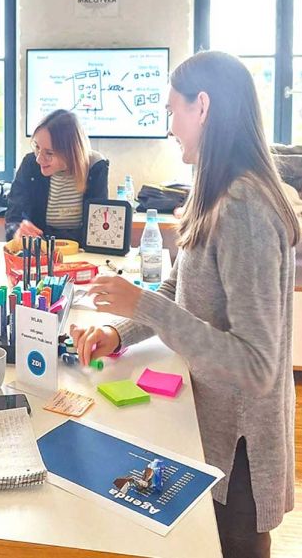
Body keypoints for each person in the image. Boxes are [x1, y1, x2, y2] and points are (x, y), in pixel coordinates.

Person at [71, 51, 299, 558]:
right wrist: (118, 330)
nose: (170, 126)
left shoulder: (244, 207)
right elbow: (180, 289)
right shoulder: (215, 193)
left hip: (239, 451)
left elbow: (256, 366)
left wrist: (142, 305)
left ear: (203, 106)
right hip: (210, 432)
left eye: (173, 110)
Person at [5, 109, 109, 243]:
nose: (39, 159)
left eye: (49, 153)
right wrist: (17, 230)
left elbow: (97, 227)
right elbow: (13, 218)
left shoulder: (95, 166)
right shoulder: (30, 164)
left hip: (81, 251)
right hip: (39, 250)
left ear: (72, 152)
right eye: (37, 147)